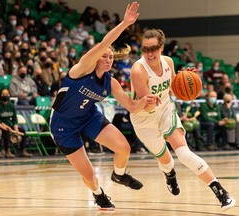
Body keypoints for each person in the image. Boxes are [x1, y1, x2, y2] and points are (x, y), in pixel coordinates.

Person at [50, 2, 159, 211]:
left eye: (111, 57)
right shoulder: (81, 69)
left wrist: (145, 102)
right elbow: (102, 44)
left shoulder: (111, 82)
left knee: (124, 148)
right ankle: (98, 194)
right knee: (89, 175)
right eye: (104, 56)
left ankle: (118, 175)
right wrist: (125, 24)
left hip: (89, 117)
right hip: (63, 125)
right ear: (96, 57)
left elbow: (132, 107)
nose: (108, 59)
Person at [129, 28, 235, 211]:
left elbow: (171, 89)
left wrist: (185, 80)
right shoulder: (138, 70)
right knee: (166, 161)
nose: (149, 53)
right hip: (144, 119)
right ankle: (169, 174)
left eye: (153, 48)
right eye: (145, 49)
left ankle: (221, 192)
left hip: (165, 110)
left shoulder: (168, 62)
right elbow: (146, 105)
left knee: (184, 153)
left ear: (162, 47)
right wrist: (154, 100)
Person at [0, 88, 32, 158]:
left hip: (9, 126)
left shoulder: (11, 105)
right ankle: (7, 152)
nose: (5, 95)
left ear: (9, 95)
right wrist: (4, 127)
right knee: (6, 132)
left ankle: (22, 151)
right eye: (3, 94)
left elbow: (14, 120)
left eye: (7, 94)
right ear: (0, 95)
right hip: (0, 126)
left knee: (22, 131)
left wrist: (16, 130)